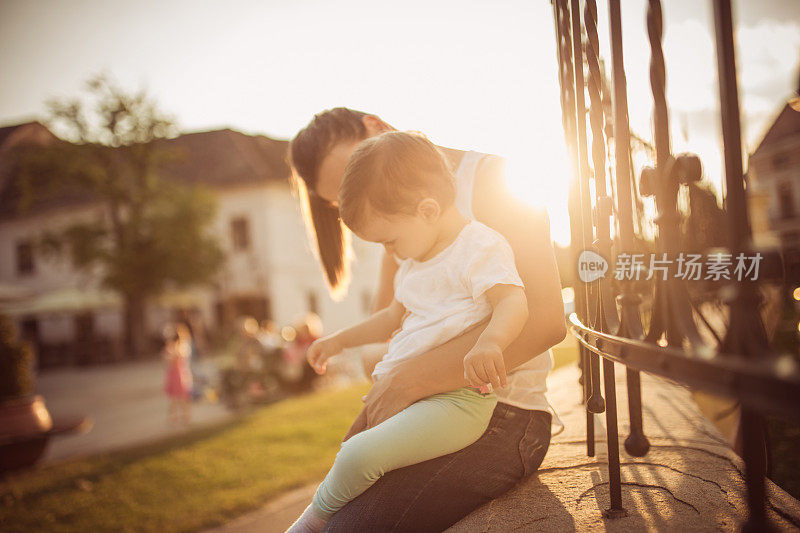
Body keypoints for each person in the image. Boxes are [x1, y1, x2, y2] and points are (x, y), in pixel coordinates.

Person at [290, 108, 566, 532]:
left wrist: (408, 380)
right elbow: (387, 329)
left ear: (375, 127)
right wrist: (375, 364)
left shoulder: (494, 184)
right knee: (344, 494)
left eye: (355, 170)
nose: (360, 191)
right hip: (426, 407)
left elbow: (545, 319)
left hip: (505, 413)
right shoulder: (404, 239)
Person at [163, 324, 192, 425]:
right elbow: (167, 360)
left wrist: (173, 354)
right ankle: (174, 417)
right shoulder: (170, 347)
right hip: (173, 374)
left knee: (183, 397)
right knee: (174, 398)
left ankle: (185, 416)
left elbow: (178, 359)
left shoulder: (183, 347)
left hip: (180, 374)